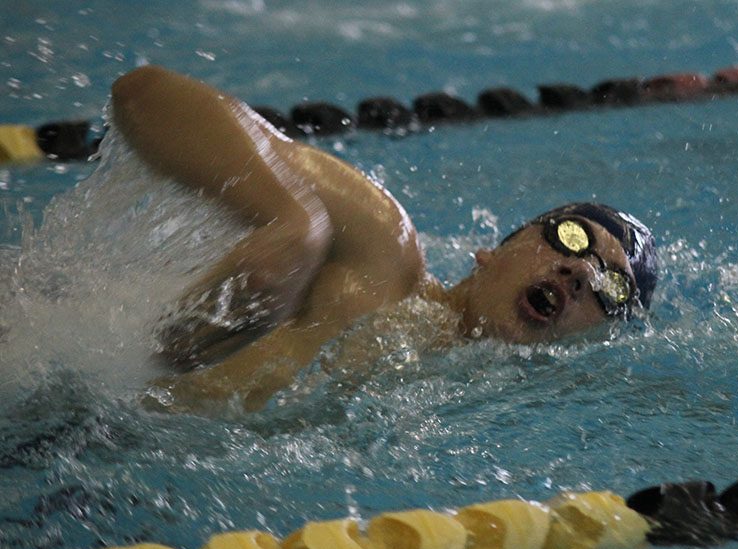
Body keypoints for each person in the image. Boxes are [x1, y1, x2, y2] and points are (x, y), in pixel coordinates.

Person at [112, 66, 657, 412]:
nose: (582, 272)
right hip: (87, 414)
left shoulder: (470, 415)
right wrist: (293, 224)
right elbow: (146, 94)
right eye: (571, 238)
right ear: (493, 252)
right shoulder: (382, 254)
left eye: (612, 290)